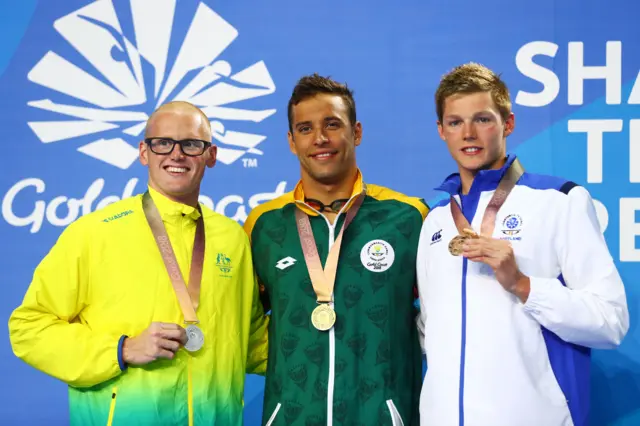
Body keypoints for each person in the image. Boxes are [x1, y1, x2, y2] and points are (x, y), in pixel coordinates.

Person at [9, 101, 268, 426]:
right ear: (144, 152)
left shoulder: (233, 238)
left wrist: (338, 341)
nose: (176, 155)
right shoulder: (95, 232)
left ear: (210, 155)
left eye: (191, 144)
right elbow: (29, 328)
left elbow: (252, 338)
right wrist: (123, 349)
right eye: (163, 143)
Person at [416, 62, 629, 426]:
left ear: (508, 123)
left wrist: (522, 285)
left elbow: (611, 321)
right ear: (441, 130)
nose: (468, 133)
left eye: (482, 119)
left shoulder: (559, 200)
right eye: (455, 122)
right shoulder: (435, 220)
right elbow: (431, 332)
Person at [244, 74, 428, 426]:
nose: (320, 139)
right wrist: (295, 361)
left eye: (332, 124)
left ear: (356, 132)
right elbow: (244, 323)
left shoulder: (408, 218)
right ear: (291, 141)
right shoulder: (264, 225)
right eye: (305, 129)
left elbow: (442, 319)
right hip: (293, 415)